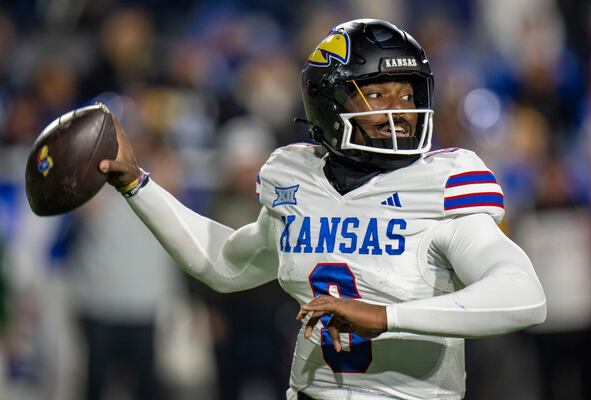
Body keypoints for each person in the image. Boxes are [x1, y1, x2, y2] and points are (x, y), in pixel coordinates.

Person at [98, 19, 546, 400]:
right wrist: (137, 184)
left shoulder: (441, 183)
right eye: (378, 96)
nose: (401, 112)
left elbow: (524, 295)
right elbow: (223, 264)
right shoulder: (296, 179)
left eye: (407, 96)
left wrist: (386, 317)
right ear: (328, 103)